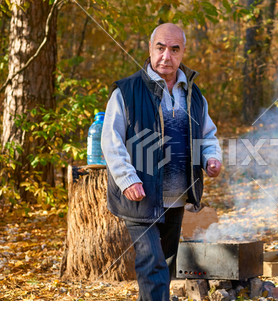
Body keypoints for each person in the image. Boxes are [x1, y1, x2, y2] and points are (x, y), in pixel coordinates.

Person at [101, 23, 222, 301]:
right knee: (152, 265)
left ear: (182, 53)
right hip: (140, 196)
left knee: (166, 266)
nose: (166, 56)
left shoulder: (193, 94)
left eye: (174, 49)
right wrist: (127, 178)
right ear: (150, 49)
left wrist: (211, 157)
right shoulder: (126, 91)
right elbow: (111, 140)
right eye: (160, 47)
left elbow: (207, 134)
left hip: (177, 198)